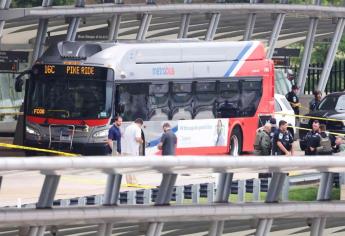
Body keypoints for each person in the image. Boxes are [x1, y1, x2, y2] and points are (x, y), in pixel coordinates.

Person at [122, 118, 144, 185]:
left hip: (126, 150)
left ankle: (129, 182)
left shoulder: (128, 127)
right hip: (132, 150)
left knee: (128, 167)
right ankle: (134, 182)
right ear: (140, 124)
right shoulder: (137, 128)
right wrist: (142, 141)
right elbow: (137, 138)